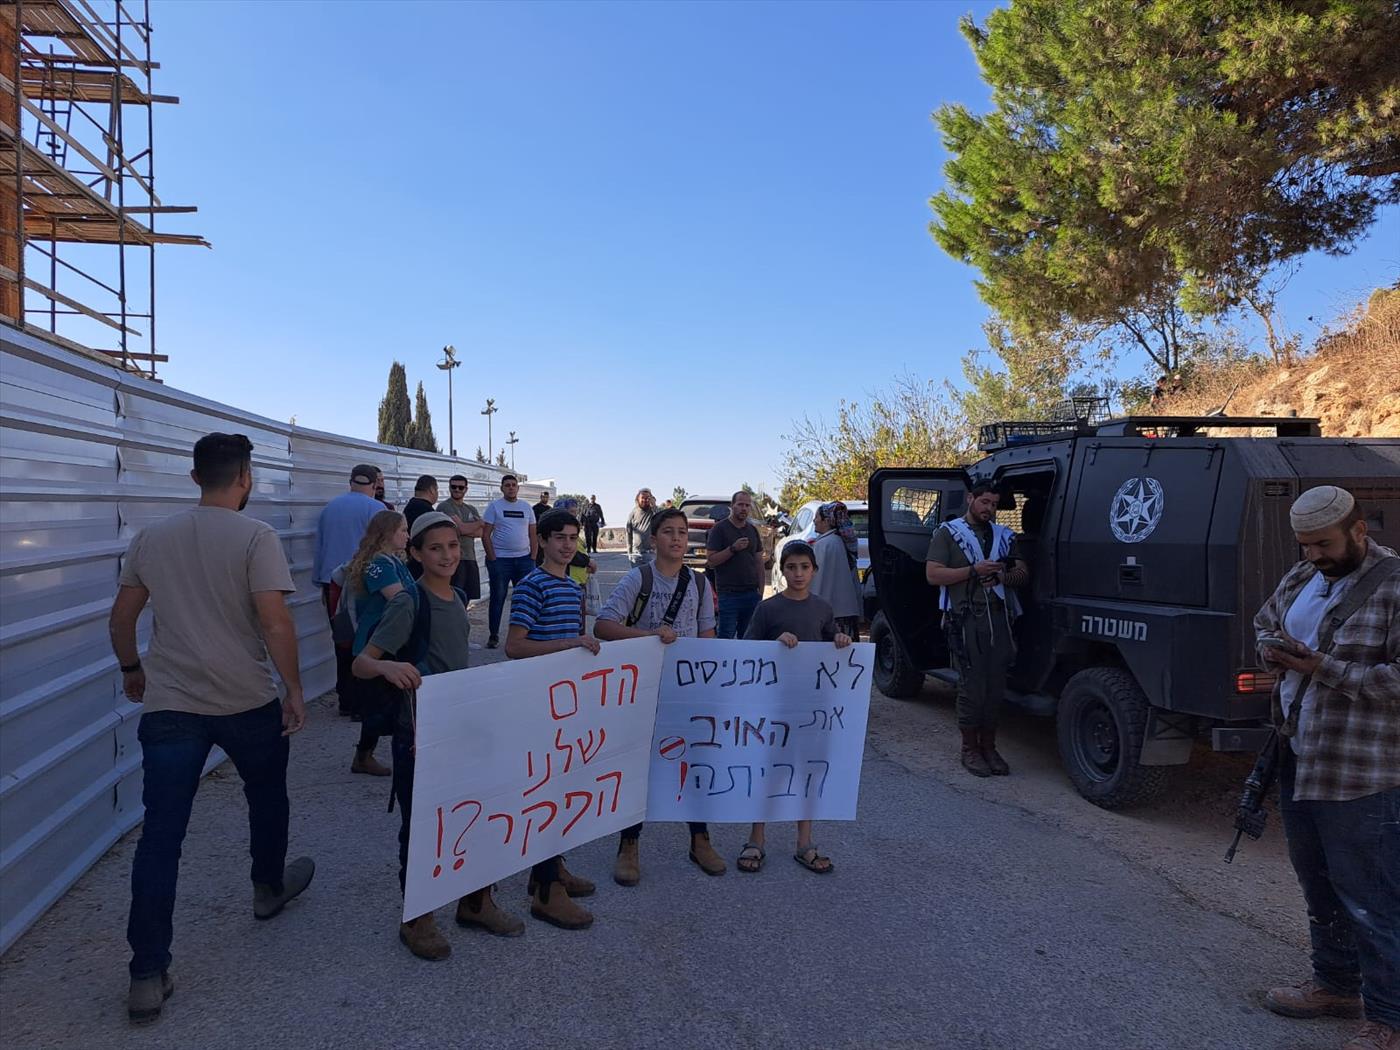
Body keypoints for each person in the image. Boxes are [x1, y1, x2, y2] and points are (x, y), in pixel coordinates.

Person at [107, 433, 314, 1025]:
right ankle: (267, 890)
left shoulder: (152, 537)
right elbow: (275, 624)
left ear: (195, 477)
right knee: (267, 796)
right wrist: (294, 689)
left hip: (171, 704)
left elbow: (122, 619)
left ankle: (147, 973)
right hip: (246, 700)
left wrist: (132, 669)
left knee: (161, 836)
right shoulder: (256, 537)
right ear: (245, 476)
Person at [1253, 486, 1399, 1050]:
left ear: (1359, 531)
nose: (1312, 555)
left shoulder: (1393, 585)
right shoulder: (1301, 576)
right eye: (1305, 545)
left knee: (1373, 893)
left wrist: (1322, 666)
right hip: (1299, 752)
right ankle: (1336, 984)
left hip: (1363, 770)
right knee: (1319, 882)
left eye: (1323, 544)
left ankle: (1388, 1017)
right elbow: (1266, 621)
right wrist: (1272, 649)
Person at [353, 511, 525, 961]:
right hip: (420, 732)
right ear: (414, 554)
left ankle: (475, 902)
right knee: (424, 826)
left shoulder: (461, 595)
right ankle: (418, 917)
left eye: (453, 546)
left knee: (478, 814)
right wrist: (388, 666)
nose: (448, 555)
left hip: (463, 726)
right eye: (435, 548)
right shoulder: (408, 602)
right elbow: (362, 662)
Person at [594, 507, 725, 884]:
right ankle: (629, 844)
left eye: (682, 532)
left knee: (694, 762)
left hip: (685, 692)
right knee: (639, 766)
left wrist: (709, 681)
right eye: (668, 531)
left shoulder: (700, 584)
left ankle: (700, 839)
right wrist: (650, 639)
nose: (677, 538)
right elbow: (604, 625)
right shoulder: (640, 579)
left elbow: (707, 637)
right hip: (642, 690)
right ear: (654, 539)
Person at [505, 509, 601, 929]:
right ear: (541, 541)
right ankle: (547, 892)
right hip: (537, 703)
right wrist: (570, 645)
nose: (567, 544)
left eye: (573, 537)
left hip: (567, 702)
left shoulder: (571, 584)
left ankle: (550, 868)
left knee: (564, 786)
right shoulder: (531, 586)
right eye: (559, 537)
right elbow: (514, 647)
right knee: (546, 791)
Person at [736, 541, 851, 876]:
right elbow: (746, 651)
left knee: (808, 771)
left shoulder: (823, 608)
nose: (798, 574)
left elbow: (833, 643)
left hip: (812, 707)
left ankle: (805, 843)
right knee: (768, 771)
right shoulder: (768, 609)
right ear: (781, 571)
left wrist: (841, 641)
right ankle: (756, 838)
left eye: (804, 567)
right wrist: (774, 646)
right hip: (774, 706)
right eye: (791, 567)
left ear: (814, 570)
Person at [925, 480, 1028, 778]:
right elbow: (933, 574)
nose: (989, 509)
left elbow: (1023, 573)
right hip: (965, 619)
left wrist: (1002, 578)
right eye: (984, 502)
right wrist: (973, 571)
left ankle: (989, 746)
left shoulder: (1004, 536)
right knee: (972, 687)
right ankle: (969, 748)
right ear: (971, 499)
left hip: (999, 620)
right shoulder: (948, 533)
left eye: (994, 505)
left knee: (995, 687)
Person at [341, 510, 413, 777]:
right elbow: (401, 599)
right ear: (387, 533)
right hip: (374, 644)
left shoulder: (391, 561)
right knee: (377, 707)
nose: (407, 535)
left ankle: (365, 755)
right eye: (403, 530)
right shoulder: (380, 565)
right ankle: (364, 756)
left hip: (385, 641)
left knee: (384, 704)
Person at [313, 463, 382, 715]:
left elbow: (319, 547)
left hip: (332, 584)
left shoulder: (330, 508)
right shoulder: (376, 508)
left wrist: (320, 582)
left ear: (350, 481)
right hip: (363, 584)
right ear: (374, 484)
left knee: (342, 641)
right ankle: (363, 702)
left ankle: (346, 700)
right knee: (366, 641)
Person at [482, 474, 539, 649]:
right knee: (498, 597)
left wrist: (533, 557)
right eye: (507, 485)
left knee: (526, 599)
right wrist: (492, 558)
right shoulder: (494, 507)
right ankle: (494, 635)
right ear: (502, 488)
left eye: (514, 485)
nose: (511, 488)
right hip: (501, 561)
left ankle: (527, 634)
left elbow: (533, 534)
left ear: (518, 488)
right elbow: (485, 535)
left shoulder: (526, 507)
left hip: (524, 560)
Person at [707, 490, 766, 639]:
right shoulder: (719, 529)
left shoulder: (752, 530)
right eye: (740, 504)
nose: (744, 508)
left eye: (747, 505)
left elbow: (759, 562)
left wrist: (761, 590)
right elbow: (712, 560)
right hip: (728, 594)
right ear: (732, 506)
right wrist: (732, 549)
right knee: (726, 636)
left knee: (748, 637)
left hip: (751, 593)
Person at [811, 502, 862, 638]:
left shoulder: (825, 544)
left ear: (826, 521)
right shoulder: (841, 542)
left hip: (829, 616)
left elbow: (817, 581)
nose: (814, 521)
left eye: (816, 517)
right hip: (847, 613)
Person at [436, 474, 484, 601]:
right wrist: (478, 523)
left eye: (460, 487)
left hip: (470, 557)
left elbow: (480, 533)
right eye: (454, 487)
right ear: (449, 487)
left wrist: (462, 528)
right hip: (453, 559)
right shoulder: (445, 506)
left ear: (466, 489)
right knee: (454, 596)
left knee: (467, 597)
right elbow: (459, 530)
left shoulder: (471, 508)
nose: (457, 490)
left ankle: (462, 620)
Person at [626, 488, 658, 565]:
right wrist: (629, 551)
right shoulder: (633, 513)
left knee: (650, 576)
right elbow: (628, 533)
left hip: (650, 553)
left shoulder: (653, 512)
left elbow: (661, 518)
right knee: (637, 576)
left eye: (647, 498)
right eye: (643, 498)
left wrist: (654, 506)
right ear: (638, 498)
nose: (645, 500)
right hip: (636, 554)